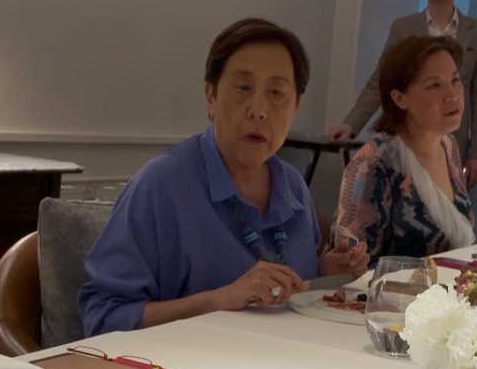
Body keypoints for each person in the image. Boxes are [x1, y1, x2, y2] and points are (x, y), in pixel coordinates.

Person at [80, 17, 369, 336]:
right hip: (186, 363)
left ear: (295, 106)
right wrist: (219, 300)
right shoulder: (162, 184)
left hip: (282, 358)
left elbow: (285, 297)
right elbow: (102, 317)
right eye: (243, 88)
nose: (258, 109)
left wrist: (324, 272)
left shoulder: (293, 187)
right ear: (211, 97)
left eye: (276, 93)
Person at [328, 0, 477, 189]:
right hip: (407, 135)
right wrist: (351, 124)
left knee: (447, 204)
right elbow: (381, 81)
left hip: (453, 140)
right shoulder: (403, 28)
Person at [328, 35, 475, 267]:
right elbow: (350, 266)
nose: (453, 95)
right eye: (434, 85)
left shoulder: (448, 147)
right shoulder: (375, 162)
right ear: (399, 98)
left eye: (455, 80)